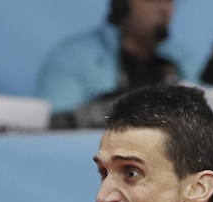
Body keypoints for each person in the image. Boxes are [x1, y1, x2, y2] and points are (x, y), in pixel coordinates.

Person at [38, 0, 195, 127]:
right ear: (122, 4)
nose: (165, 9)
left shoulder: (180, 59)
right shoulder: (72, 56)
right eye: (153, 0)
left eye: (170, 1)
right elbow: (57, 127)